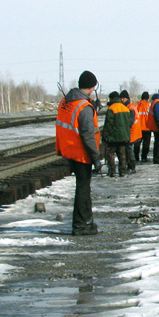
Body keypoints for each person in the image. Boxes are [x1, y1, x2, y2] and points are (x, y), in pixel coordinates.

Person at [56, 70, 101, 236]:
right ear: (92, 87)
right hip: (81, 152)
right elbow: (87, 133)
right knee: (83, 189)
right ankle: (82, 225)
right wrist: (95, 157)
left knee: (82, 188)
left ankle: (84, 222)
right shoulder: (84, 106)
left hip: (69, 149)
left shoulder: (67, 101)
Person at [101, 90, 133, 177]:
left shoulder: (111, 109)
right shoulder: (125, 108)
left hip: (113, 137)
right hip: (124, 137)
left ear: (111, 98)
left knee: (110, 154)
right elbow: (129, 123)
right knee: (122, 154)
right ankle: (122, 171)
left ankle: (112, 171)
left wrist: (105, 136)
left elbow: (108, 124)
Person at [122, 90, 139, 173]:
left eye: (122, 98)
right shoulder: (131, 106)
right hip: (134, 131)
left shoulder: (130, 108)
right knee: (129, 150)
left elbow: (130, 122)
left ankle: (132, 166)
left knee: (129, 150)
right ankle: (131, 166)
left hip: (132, 132)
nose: (122, 100)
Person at [133, 91, 151, 163]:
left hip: (138, 128)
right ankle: (144, 157)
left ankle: (136, 157)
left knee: (137, 144)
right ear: (148, 98)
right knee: (146, 144)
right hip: (147, 127)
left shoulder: (137, 105)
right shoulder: (149, 105)